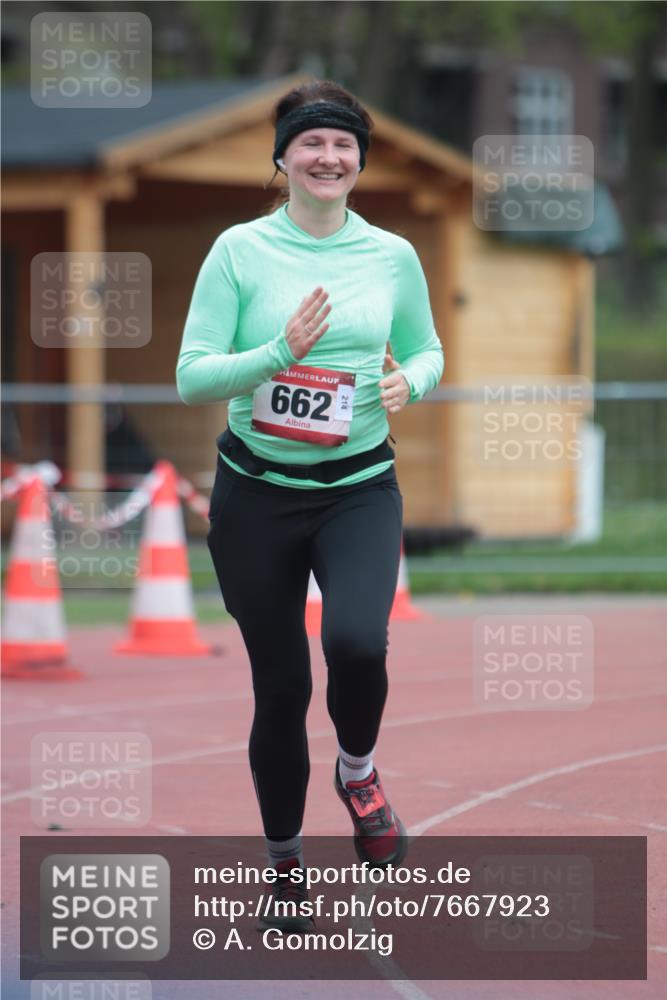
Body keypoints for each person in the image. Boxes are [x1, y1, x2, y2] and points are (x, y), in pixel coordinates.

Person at [176, 79, 444, 931]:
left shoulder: (391, 255)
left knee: (358, 642)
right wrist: (275, 352)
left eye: (342, 146)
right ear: (283, 159)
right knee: (281, 686)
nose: (328, 158)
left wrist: (415, 378)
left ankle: (358, 772)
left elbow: (429, 346)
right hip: (256, 495)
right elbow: (191, 376)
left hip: (359, 487)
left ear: (357, 162)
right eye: (312, 145)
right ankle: (284, 867)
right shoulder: (239, 252)